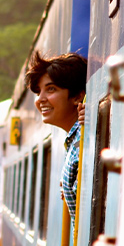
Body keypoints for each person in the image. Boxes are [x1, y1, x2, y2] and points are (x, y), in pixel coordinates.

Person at [24, 51, 87, 225]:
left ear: (77, 96)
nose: (40, 99)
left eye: (51, 89)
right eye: (39, 92)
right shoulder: (75, 141)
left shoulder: (85, 141)